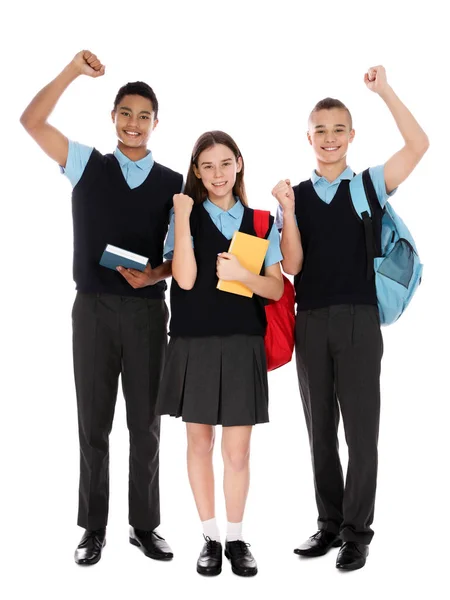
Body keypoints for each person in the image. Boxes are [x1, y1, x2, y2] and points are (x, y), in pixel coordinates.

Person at [20, 50, 183, 566]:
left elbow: (178, 258)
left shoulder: (174, 183)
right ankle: (93, 528)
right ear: (112, 117)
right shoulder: (86, 164)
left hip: (147, 313)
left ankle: (144, 525)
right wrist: (72, 71)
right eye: (125, 113)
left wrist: (153, 273)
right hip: (91, 310)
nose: (134, 124)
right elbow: (31, 121)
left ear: (157, 123)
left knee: (146, 425)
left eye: (144, 116)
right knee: (93, 423)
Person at [272, 66, 429, 571]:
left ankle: (357, 534)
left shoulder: (369, 187)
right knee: (319, 431)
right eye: (321, 130)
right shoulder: (294, 196)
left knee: (361, 434)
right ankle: (329, 525)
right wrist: (288, 213)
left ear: (352, 135)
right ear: (309, 137)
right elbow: (292, 267)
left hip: (360, 322)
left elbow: (418, 144)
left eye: (339, 129)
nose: (330, 138)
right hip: (311, 321)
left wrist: (383, 91)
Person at [156, 131, 284, 577]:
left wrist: (244, 275)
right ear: (196, 171)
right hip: (193, 341)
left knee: (238, 452)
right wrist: (182, 214)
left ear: (240, 164)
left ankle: (235, 536)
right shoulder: (184, 216)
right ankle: (209, 536)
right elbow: (186, 280)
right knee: (198, 442)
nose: (217, 174)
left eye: (225, 164)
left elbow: (275, 288)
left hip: (242, 342)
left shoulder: (263, 221)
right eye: (207, 166)